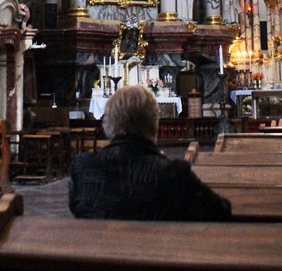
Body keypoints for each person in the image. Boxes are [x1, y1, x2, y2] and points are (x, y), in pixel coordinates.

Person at [69, 85, 231, 220]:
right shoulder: (173, 174)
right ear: (155, 124)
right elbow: (220, 211)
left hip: (97, 256)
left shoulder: (84, 168)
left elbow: (76, 208)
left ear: (107, 125)